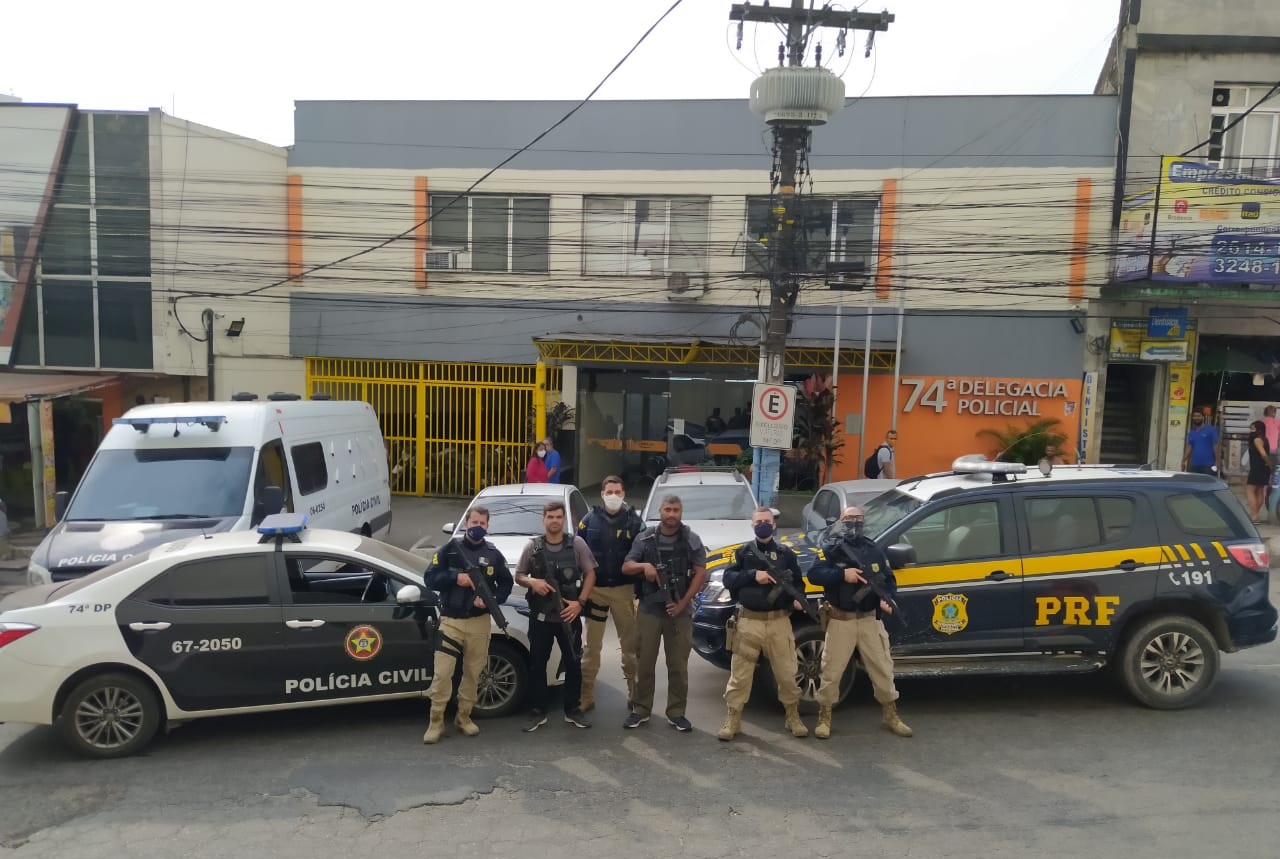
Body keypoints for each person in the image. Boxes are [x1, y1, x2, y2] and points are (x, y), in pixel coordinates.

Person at [808, 506, 912, 740]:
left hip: (869, 620)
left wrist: (888, 598)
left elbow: (888, 579)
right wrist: (842, 575)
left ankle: (890, 714)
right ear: (841, 522)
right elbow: (815, 575)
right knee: (832, 672)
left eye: (857, 519)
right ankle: (824, 716)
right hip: (840, 619)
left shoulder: (873, 549)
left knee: (883, 669)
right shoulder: (831, 550)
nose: (853, 523)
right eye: (848, 519)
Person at [422, 506, 514, 744]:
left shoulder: (493, 554)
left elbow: (506, 583)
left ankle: (464, 717)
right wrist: (456, 578)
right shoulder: (449, 550)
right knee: (443, 674)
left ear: (488, 526)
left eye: (483, 523)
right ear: (465, 523)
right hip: (451, 621)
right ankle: (436, 721)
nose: (478, 527)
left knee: (473, 673)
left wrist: (491, 599)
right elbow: (429, 578)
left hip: (479, 622)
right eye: (474, 521)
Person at [717, 507, 809, 741]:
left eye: (767, 521)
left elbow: (799, 585)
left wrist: (797, 600)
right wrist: (752, 575)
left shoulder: (786, 554)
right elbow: (728, 579)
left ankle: (792, 715)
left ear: (774, 524)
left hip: (779, 622)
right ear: (752, 525)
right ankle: (733, 718)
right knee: (740, 675)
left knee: (788, 673)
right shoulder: (743, 553)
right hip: (749, 621)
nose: (763, 525)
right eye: (759, 522)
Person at [621, 495, 708, 731]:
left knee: (678, 666)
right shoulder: (645, 538)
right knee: (645, 663)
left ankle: (676, 712)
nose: (671, 514)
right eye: (667, 509)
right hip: (650, 609)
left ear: (681, 512)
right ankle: (640, 709)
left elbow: (701, 573)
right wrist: (644, 566)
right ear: (660, 511)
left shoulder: (691, 539)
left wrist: (683, 604)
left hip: (679, 611)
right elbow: (626, 566)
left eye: (676, 510)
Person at [515, 499, 597, 731]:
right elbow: (519, 575)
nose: (554, 521)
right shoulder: (533, 547)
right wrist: (532, 582)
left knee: (573, 662)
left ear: (564, 519)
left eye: (558, 517)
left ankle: (573, 709)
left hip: (569, 616)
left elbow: (591, 574)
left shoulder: (577, 544)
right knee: (537, 664)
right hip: (541, 617)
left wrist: (580, 603)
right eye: (550, 517)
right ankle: (538, 711)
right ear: (543, 520)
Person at [576, 475, 644, 713]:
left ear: (623, 494)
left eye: (617, 491)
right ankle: (586, 696)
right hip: (596, 591)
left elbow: (645, 554)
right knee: (591, 648)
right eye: (609, 492)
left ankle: (634, 695)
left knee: (630, 647)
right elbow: (578, 551)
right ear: (602, 494)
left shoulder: (635, 522)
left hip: (625, 591)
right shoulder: (588, 520)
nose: (613, 496)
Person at [1246, 420, 1272, 524]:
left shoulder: (1257, 440)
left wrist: (1270, 464)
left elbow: (1263, 454)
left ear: (1258, 429)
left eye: (1253, 428)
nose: (1250, 430)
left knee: (1250, 490)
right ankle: (1256, 515)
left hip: (1257, 468)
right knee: (1260, 491)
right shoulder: (1265, 439)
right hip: (1263, 468)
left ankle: (1254, 515)